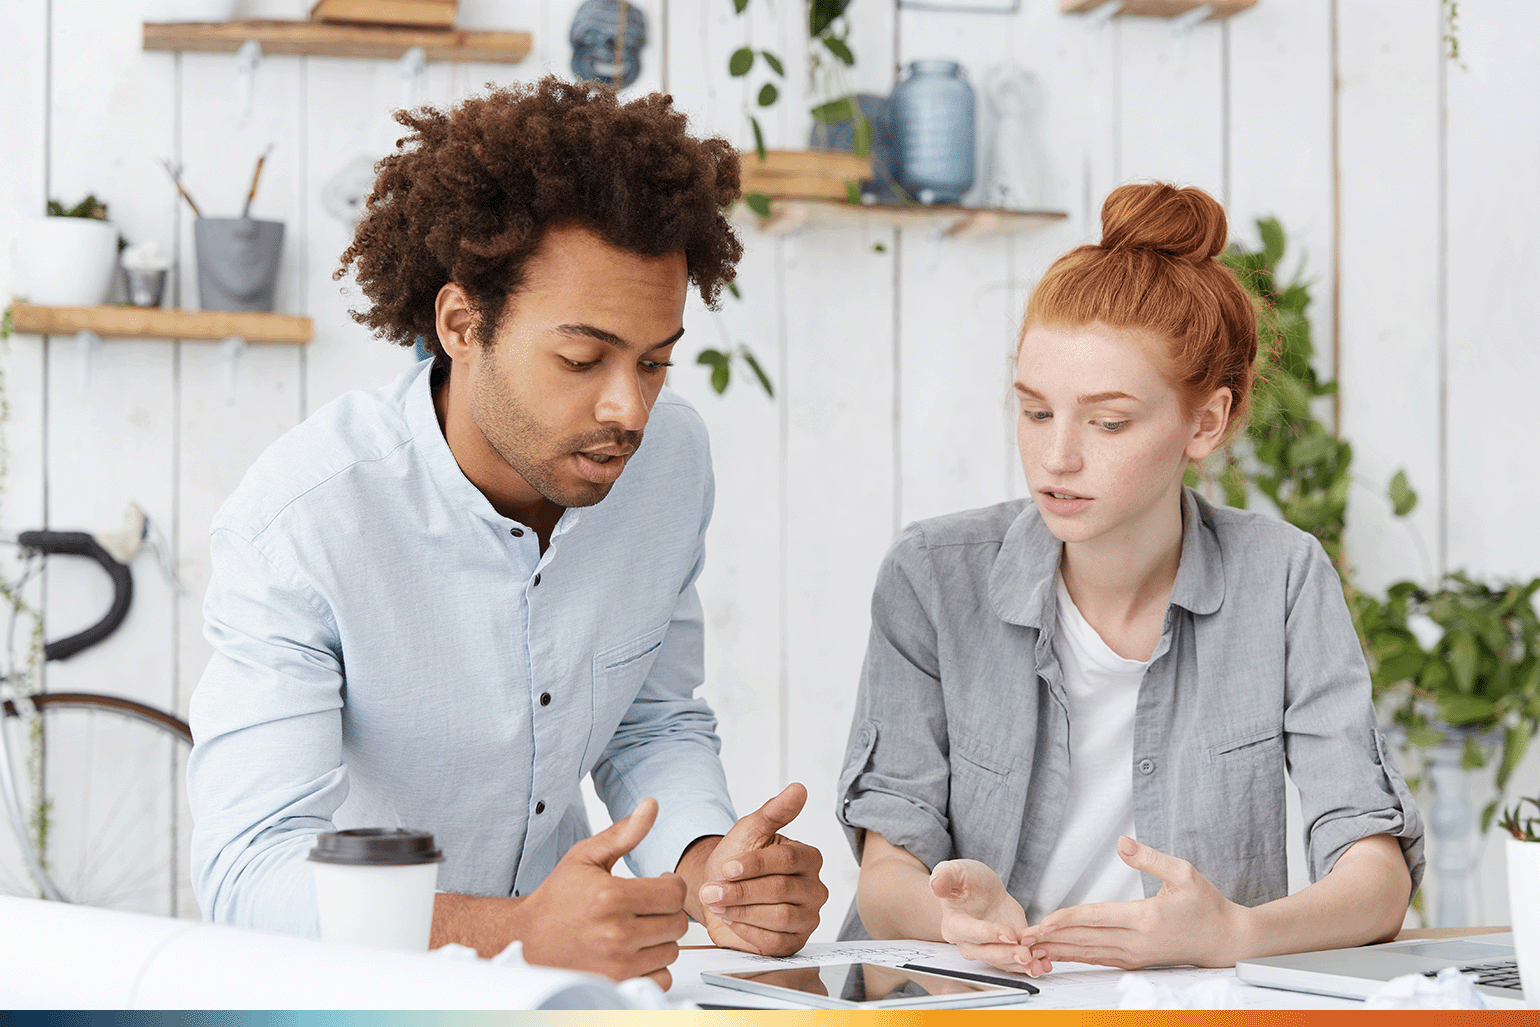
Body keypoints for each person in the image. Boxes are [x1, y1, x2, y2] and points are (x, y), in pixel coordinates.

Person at [188, 77, 827, 988]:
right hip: (352, 996)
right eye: (581, 357)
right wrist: (517, 931)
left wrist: (704, 865)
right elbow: (246, 871)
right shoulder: (303, 520)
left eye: (655, 361)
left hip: (565, 997)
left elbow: (646, 713)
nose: (627, 408)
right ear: (461, 323)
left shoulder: (669, 459)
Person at [835, 182, 1424, 975]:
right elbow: (886, 874)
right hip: (967, 997)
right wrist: (954, 918)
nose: (1058, 456)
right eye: (1037, 411)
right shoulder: (932, 578)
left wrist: (1235, 934)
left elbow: (1376, 879)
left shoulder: (1282, 579)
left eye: (1107, 421)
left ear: (1206, 422)